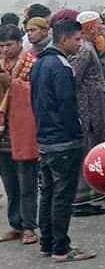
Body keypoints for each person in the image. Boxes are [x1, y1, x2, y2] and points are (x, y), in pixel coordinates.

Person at [30, 20, 95, 262]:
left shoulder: (39, 63)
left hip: (45, 138)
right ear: (64, 39)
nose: (80, 44)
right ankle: (61, 247)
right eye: (77, 39)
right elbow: (68, 106)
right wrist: (76, 134)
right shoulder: (62, 66)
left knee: (47, 193)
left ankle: (46, 242)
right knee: (62, 196)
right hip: (63, 141)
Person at [69, 11, 105, 218]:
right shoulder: (85, 50)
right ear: (90, 28)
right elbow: (74, 78)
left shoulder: (88, 47)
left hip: (95, 107)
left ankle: (90, 196)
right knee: (89, 150)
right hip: (90, 109)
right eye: (97, 26)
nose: (101, 29)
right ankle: (82, 199)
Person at [0, 24, 39, 246]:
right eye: (1, 46)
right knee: (10, 183)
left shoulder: (31, 63)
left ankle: (29, 226)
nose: (5, 50)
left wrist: (12, 84)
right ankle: (15, 223)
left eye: (9, 45)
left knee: (27, 183)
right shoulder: (0, 64)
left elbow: (35, 92)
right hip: (3, 133)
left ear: (19, 43)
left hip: (23, 130)